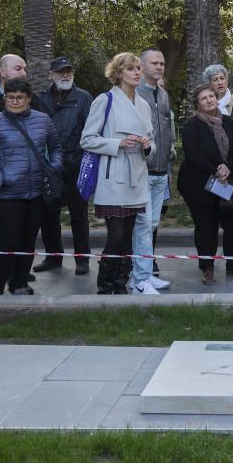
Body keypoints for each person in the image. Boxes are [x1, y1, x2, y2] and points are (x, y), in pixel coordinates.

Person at [0, 78, 62, 295]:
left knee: (28, 241)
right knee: (9, 242)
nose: (14, 101)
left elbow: (56, 148)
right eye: (10, 97)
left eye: (19, 97)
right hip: (6, 195)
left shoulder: (43, 120)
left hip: (36, 192)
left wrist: (52, 169)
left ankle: (19, 283)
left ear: (29, 99)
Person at [81, 53, 154, 294]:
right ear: (118, 72)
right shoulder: (105, 100)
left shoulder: (143, 104)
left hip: (137, 177)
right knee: (116, 235)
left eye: (138, 68)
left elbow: (152, 143)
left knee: (128, 234)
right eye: (131, 68)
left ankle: (121, 283)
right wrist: (117, 144)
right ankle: (105, 285)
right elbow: (87, 140)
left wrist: (146, 146)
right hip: (113, 176)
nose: (136, 72)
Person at [178, 84, 233, 285]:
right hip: (199, 184)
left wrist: (228, 167)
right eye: (203, 98)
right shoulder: (192, 125)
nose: (209, 100)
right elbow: (192, 153)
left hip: (227, 182)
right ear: (197, 104)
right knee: (206, 227)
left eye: (211, 96)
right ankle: (207, 268)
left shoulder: (228, 122)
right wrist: (215, 169)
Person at [34, 57, 93, 275]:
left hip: (76, 165)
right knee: (49, 214)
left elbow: (91, 130)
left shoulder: (84, 97)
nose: (65, 75)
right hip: (49, 167)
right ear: (51, 75)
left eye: (68, 71)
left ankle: (82, 259)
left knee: (79, 214)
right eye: (60, 72)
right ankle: (53, 257)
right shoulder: (39, 99)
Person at [130, 49, 174, 291]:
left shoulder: (163, 94)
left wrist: (168, 165)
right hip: (141, 170)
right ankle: (140, 279)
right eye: (154, 63)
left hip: (160, 171)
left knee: (152, 224)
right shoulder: (134, 94)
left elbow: (167, 129)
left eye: (162, 63)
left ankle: (145, 273)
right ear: (142, 66)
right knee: (143, 225)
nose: (159, 67)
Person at [205, 63, 233, 276]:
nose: (220, 82)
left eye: (222, 78)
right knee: (211, 217)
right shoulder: (203, 105)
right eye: (215, 79)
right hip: (212, 174)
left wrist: (231, 163)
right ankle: (208, 265)